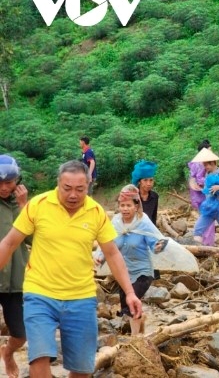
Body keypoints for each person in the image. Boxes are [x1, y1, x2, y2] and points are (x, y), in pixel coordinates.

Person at [0, 160, 142, 378]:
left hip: (81, 297)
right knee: (39, 359)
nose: (73, 195)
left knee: (81, 369)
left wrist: (130, 292)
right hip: (39, 293)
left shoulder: (96, 212)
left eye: (80, 189)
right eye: (67, 189)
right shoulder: (38, 205)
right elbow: (9, 243)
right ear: (58, 184)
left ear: (88, 186)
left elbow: (112, 253)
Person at [94, 184, 166, 336]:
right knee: (126, 307)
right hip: (123, 272)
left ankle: (135, 339)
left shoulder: (143, 222)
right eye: (122, 205)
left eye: (128, 205)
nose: (125, 209)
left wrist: (158, 246)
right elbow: (108, 243)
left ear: (136, 206)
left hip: (142, 271)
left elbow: (154, 241)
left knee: (131, 303)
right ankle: (140, 326)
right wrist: (100, 257)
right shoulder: (116, 223)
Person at [0, 155, 29, 378]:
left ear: (17, 180)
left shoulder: (26, 205)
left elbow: (35, 240)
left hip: (16, 281)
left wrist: (23, 206)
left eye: (8, 182)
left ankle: (8, 353)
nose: (3, 187)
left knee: (20, 335)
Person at [192, 148, 219, 246]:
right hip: (209, 207)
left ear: (213, 163)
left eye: (206, 165)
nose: (205, 167)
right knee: (198, 229)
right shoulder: (207, 175)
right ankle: (197, 252)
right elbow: (207, 191)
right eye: (204, 165)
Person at [188, 140, 215, 244]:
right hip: (202, 194)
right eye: (210, 150)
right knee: (209, 217)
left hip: (197, 195)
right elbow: (200, 180)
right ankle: (208, 243)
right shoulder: (200, 163)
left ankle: (205, 241)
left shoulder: (195, 162)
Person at [132, 160, 159, 225]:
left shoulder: (155, 197)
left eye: (151, 180)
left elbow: (153, 218)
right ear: (139, 182)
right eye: (145, 180)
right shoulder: (132, 196)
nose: (149, 184)